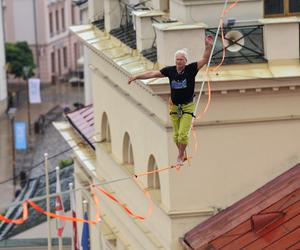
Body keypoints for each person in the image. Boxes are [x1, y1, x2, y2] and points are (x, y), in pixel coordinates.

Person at [128, 36, 213, 166]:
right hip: (174, 107)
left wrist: (208, 46)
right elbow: (152, 74)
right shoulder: (170, 71)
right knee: (175, 136)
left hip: (187, 106)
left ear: (185, 61)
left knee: (182, 135)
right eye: (177, 59)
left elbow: (205, 59)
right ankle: (182, 153)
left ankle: (180, 156)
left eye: (181, 60)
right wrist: (136, 77)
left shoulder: (191, 69)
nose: (179, 62)